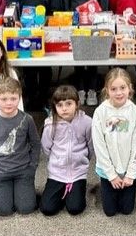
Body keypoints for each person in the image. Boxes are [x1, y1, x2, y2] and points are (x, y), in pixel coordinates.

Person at [8, 0, 63, 110]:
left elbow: (56, 12)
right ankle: (31, 98)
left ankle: (44, 96)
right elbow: (11, 10)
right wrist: (16, 21)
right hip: (23, 35)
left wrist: (46, 21)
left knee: (45, 68)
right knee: (28, 68)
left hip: (44, 34)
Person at [0, 77, 41, 216]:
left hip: (23, 171)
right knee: (2, 211)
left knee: (26, 208)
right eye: (4, 99)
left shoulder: (27, 119)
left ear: (19, 98)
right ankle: (10, 192)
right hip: (0, 173)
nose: (9, 103)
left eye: (13, 98)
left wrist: (32, 167)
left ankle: (24, 191)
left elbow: (36, 144)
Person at [91, 67, 136, 216]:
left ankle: (134, 184)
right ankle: (104, 185)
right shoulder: (100, 112)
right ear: (107, 90)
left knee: (127, 210)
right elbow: (99, 145)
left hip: (127, 169)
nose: (119, 92)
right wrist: (111, 175)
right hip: (108, 171)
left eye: (123, 88)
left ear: (130, 88)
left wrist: (131, 174)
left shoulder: (135, 111)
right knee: (110, 211)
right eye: (114, 89)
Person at [40, 85, 93, 216]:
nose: (64, 108)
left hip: (78, 173)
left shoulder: (87, 122)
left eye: (69, 104)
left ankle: (73, 191)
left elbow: (91, 146)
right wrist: (56, 161)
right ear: (55, 107)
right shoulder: (50, 125)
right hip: (57, 173)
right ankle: (63, 191)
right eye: (60, 105)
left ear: (77, 104)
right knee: (47, 209)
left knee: (75, 208)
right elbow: (46, 148)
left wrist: (83, 160)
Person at [62, 0, 103, 105]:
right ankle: (79, 90)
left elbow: (102, 7)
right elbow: (66, 8)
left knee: (94, 58)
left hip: (94, 26)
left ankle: (92, 91)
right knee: (78, 59)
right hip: (76, 26)